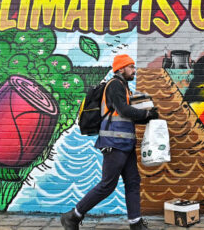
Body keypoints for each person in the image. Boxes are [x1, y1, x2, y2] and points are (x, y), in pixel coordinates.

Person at [61, 54, 159, 230]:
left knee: (132, 183)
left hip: (125, 145)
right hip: (114, 144)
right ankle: (73, 216)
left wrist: (148, 116)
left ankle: (136, 224)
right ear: (121, 68)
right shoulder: (114, 85)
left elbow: (124, 115)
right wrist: (145, 114)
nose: (134, 70)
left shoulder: (124, 87)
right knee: (107, 185)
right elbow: (124, 110)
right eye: (131, 67)